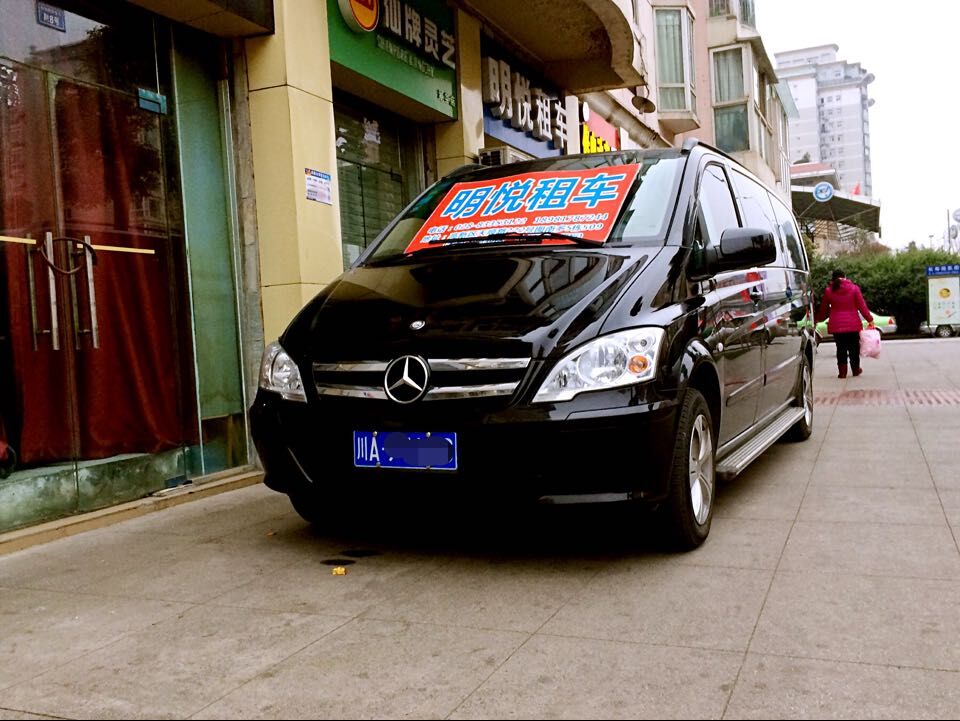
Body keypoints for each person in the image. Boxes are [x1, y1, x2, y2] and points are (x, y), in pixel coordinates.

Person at [816, 269, 874, 378]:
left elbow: (824, 309)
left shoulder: (829, 291)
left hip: (837, 325)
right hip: (853, 324)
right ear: (845, 277)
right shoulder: (854, 288)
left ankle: (842, 373)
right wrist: (869, 319)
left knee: (840, 348)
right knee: (854, 348)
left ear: (833, 278)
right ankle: (856, 370)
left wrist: (818, 319)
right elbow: (862, 307)